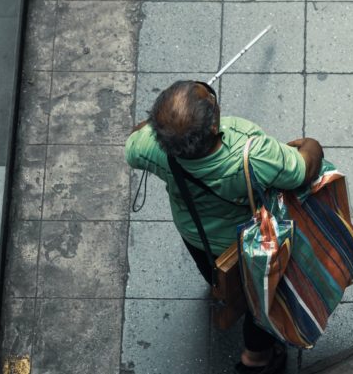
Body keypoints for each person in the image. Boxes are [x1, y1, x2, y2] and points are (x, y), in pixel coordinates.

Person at [124, 80, 323, 374]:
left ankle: (222, 289)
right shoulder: (251, 151)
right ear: (214, 126)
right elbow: (301, 171)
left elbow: (133, 140)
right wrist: (310, 145)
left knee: (215, 272)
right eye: (211, 100)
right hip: (248, 242)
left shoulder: (151, 148)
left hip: (196, 233)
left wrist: (162, 126)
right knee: (264, 299)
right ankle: (256, 358)